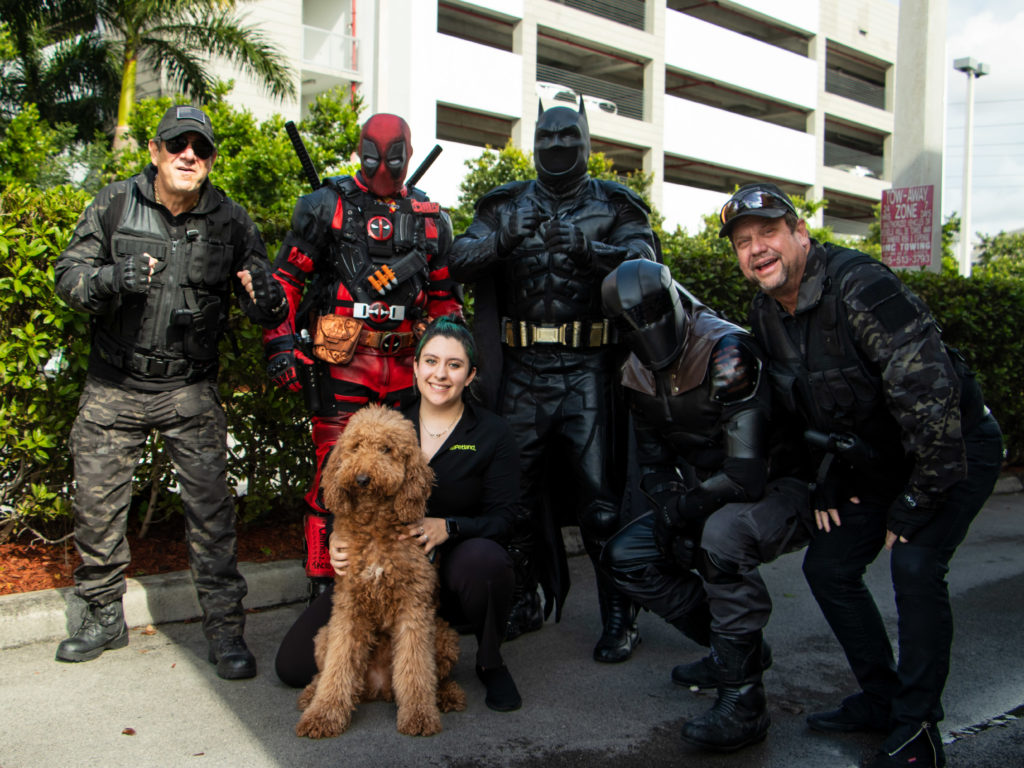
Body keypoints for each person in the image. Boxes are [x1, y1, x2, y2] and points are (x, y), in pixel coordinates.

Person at [720, 182, 1003, 767]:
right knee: (828, 567)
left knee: (916, 563)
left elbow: (933, 403)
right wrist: (822, 479)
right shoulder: (766, 313)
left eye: (768, 233)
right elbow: (796, 414)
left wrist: (916, 504)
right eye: (743, 242)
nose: (757, 249)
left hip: (951, 449)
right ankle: (881, 698)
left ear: (799, 234)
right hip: (876, 460)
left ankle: (918, 724)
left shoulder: (860, 286)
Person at [53, 105, 288, 679]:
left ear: (209, 160)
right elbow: (68, 277)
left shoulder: (233, 221)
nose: (188, 155)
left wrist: (266, 299)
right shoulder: (114, 202)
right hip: (116, 385)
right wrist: (113, 279)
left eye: (200, 148)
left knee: (212, 514)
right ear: (155, 151)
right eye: (176, 144)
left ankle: (225, 631)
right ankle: (103, 617)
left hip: (188, 388)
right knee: (97, 511)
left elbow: (270, 302)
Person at [448, 100, 658, 663]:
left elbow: (649, 267)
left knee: (601, 504)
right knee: (511, 496)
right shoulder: (504, 205)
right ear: (533, 139)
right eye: (547, 134)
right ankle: (523, 598)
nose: (558, 144)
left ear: (588, 140)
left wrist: (594, 253)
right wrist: (502, 241)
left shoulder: (615, 205)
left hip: (588, 372)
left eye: (569, 134)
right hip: (521, 373)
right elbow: (456, 259)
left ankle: (621, 614)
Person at [600, 259, 807, 752]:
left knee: (720, 540)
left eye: (651, 315)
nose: (646, 333)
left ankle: (745, 704)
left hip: (781, 488)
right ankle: (733, 652)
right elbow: (652, 462)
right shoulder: (633, 369)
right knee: (625, 556)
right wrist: (671, 504)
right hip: (705, 495)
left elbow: (746, 474)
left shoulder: (728, 352)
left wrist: (683, 510)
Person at [275, 315, 522, 711]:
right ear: (417, 366)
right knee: (291, 666)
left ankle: (490, 661)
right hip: (378, 554)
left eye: (454, 365)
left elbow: (506, 519)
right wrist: (339, 537)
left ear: (470, 375)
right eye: (431, 361)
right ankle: (366, 675)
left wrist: (449, 527)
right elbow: (348, 480)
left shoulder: (492, 433)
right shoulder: (390, 419)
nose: (440, 374)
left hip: (454, 562)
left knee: (486, 562)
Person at [263, 113, 462, 602]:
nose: (383, 167)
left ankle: (398, 579)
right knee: (332, 476)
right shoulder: (325, 206)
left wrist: (449, 364)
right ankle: (322, 582)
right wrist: (282, 345)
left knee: (408, 479)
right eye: (374, 155)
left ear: (408, 155)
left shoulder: (430, 219)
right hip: (341, 363)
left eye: (394, 156)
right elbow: (284, 283)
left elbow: (446, 301)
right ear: (360, 151)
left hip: (409, 370)